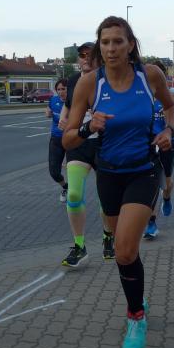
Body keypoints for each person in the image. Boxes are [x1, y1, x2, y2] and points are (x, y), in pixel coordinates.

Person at [64, 16, 174, 348]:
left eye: (118, 41)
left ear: (130, 45)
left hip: (144, 170)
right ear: (99, 47)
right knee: (124, 252)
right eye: (105, 42)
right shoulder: (89, 84)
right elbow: (68, 139)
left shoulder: (149, 75)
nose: (111, 48)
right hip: (109, 174)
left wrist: (168, 130)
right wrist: (88, 127)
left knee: (125, 250)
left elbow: (171, 107)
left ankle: (135, 316)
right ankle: (136, 294)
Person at [57, 42, 114, 266]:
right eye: (82, 55)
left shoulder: (108, 80)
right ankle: (79, 246)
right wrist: (64, 117)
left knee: (106, 197)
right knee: (73, 194)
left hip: (104, 144)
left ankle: (108, 237)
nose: (86, 59)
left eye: (90, 55)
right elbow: (69, 104)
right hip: (79, 144)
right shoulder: (74, 81)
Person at [144, 62, 174, 239]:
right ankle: (151, 223)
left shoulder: (170, 95)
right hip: (149, 144)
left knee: (167, 184)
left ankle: (166, 198)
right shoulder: (141, 95)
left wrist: (169, 125)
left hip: (167, 143)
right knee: (152, 182)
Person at [46, 79, 68, 201]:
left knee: (73, 169)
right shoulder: (53, 100)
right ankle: (65, 187)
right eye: (58, 89)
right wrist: (48, 112)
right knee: (54, 171)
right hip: (56, 139)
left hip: (71, 140)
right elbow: (48, 111)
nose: (60, 92)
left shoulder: (74, 101)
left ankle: (75, 192)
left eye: (63, 89)